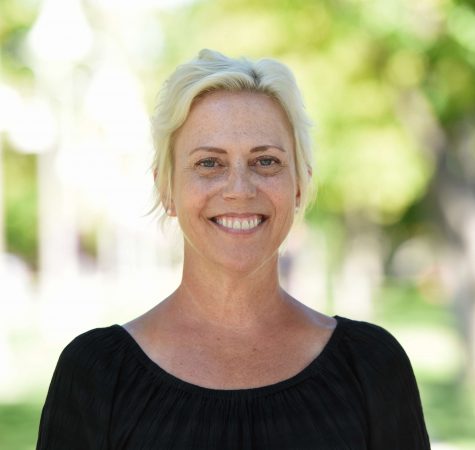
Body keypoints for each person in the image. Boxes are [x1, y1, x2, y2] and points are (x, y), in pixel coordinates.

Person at [36, 49, 431, 449]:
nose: (239, 190)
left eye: (266, 161)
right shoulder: (95, 374)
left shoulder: (372, 366)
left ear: (299, 183)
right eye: (209, 163)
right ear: (166, 188)